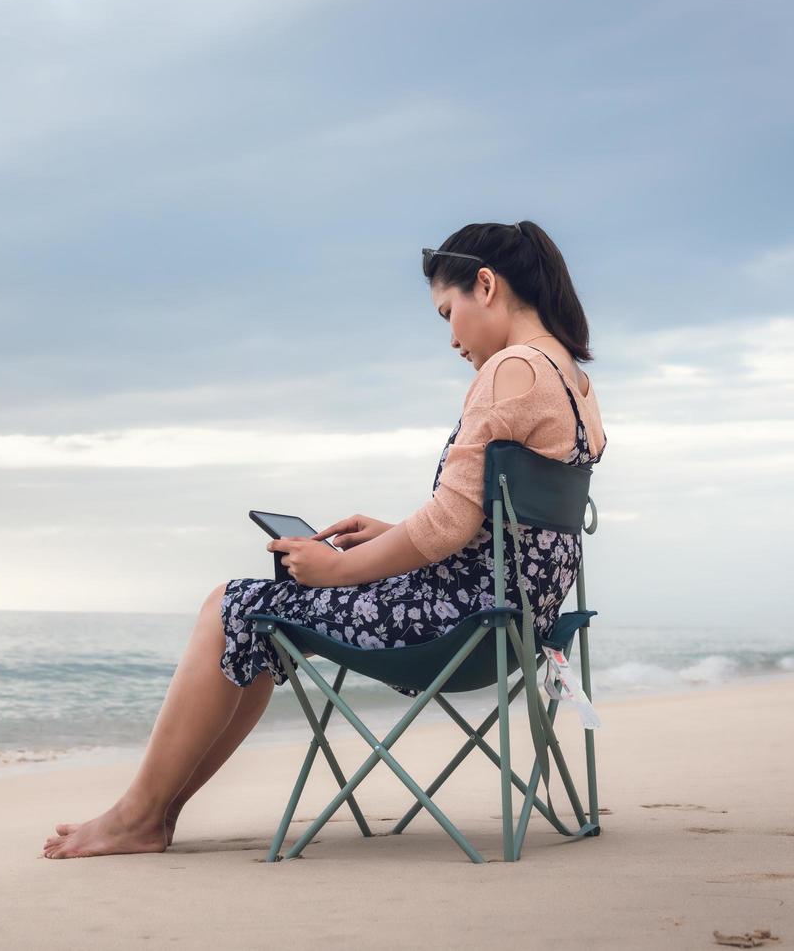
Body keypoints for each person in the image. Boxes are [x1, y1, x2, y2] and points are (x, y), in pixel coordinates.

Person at [43, 220, 606, 859]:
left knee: (231, 606)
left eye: (448, 313)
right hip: (516, 624)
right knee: (251, 621)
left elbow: (450, 525)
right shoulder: (572, 380)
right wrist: (389, 536)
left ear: (486, 284)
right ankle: (153, 812)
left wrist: (340, 569)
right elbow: (494, 528)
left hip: (454, 628)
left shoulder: (511, 369)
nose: (450, 337)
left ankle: (140, 815)